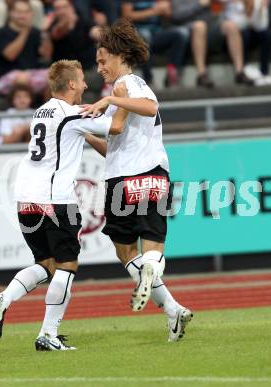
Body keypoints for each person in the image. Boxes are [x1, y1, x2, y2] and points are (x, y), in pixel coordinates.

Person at [0, 59, 128, 351]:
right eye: (82, 80)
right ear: (72, 84)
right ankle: (48, 334)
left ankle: (4, 298)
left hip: (26, 199)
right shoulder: (72, 113)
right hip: (56, 199)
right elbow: (116, 126)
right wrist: (120, 98)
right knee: (67, 265)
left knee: (46, 264)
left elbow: (75, 133)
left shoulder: (42, 110)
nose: (87, 85)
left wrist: (87, 131)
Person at [81, 19, 193, 342]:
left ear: (119, 55)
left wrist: (111, 102)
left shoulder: (129, 84)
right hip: (146, 175)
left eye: (103, 60)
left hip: (126, 181)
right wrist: (86, 134)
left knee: (125, 249)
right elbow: (115, 140)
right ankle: (172, 309)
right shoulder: (122, 91)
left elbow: (150, 106)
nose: (99, 67)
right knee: (148, 247)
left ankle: (152, 280)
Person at [0, 0, 51, 99]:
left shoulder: (36, 32)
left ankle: (49, 112)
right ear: (10, 13)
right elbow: (10, 55)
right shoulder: (1, 32)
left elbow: (46, 55)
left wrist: (45, 33)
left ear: (31, 14)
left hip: (32, 76)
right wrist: (25, 31)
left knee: (56, 77)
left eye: (26, 12)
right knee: (22, 77)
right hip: (6, 80)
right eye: (19, 12)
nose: (22, 15)